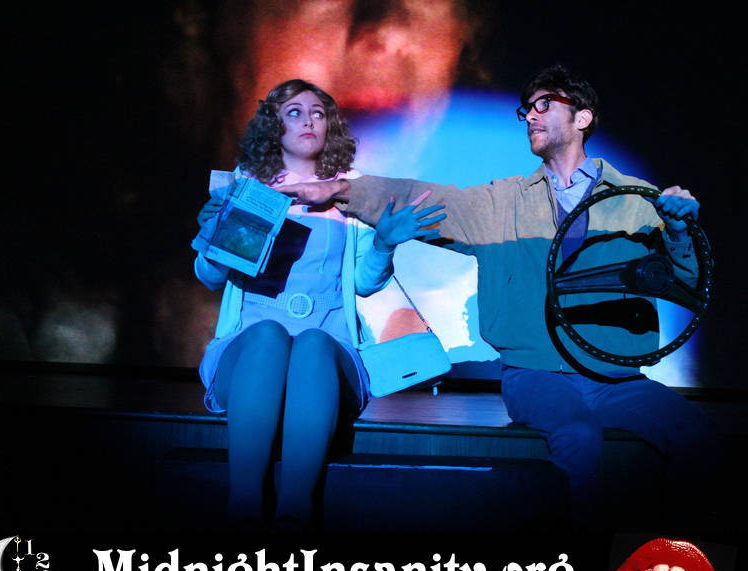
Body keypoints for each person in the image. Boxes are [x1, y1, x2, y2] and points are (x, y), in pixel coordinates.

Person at [276, 65, 720, 529]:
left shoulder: (637, 199)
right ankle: (577, 560)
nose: (531, 115)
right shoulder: (504, 204)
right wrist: (339, 189)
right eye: (527, 109)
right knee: (578, 437)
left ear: (583, 118)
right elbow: (420, 196)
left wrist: (679, 228)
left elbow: (687, 282)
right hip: (538, 376)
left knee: (698, 439)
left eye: (545, 104)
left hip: (617, 378)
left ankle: (675, 560)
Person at [193, 79, 445, 530]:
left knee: (311, 342)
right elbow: (210, 277)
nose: (308, 120)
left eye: (317, 112)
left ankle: (295, 512)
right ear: (273, 125)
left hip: (328, 347)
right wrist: (215, 238)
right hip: (251, 347)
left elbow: (364, 283)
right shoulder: (245, 187)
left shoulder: (348, 192)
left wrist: (384, 243)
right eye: (294, 112)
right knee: (268, 335)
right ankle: (244, 506)